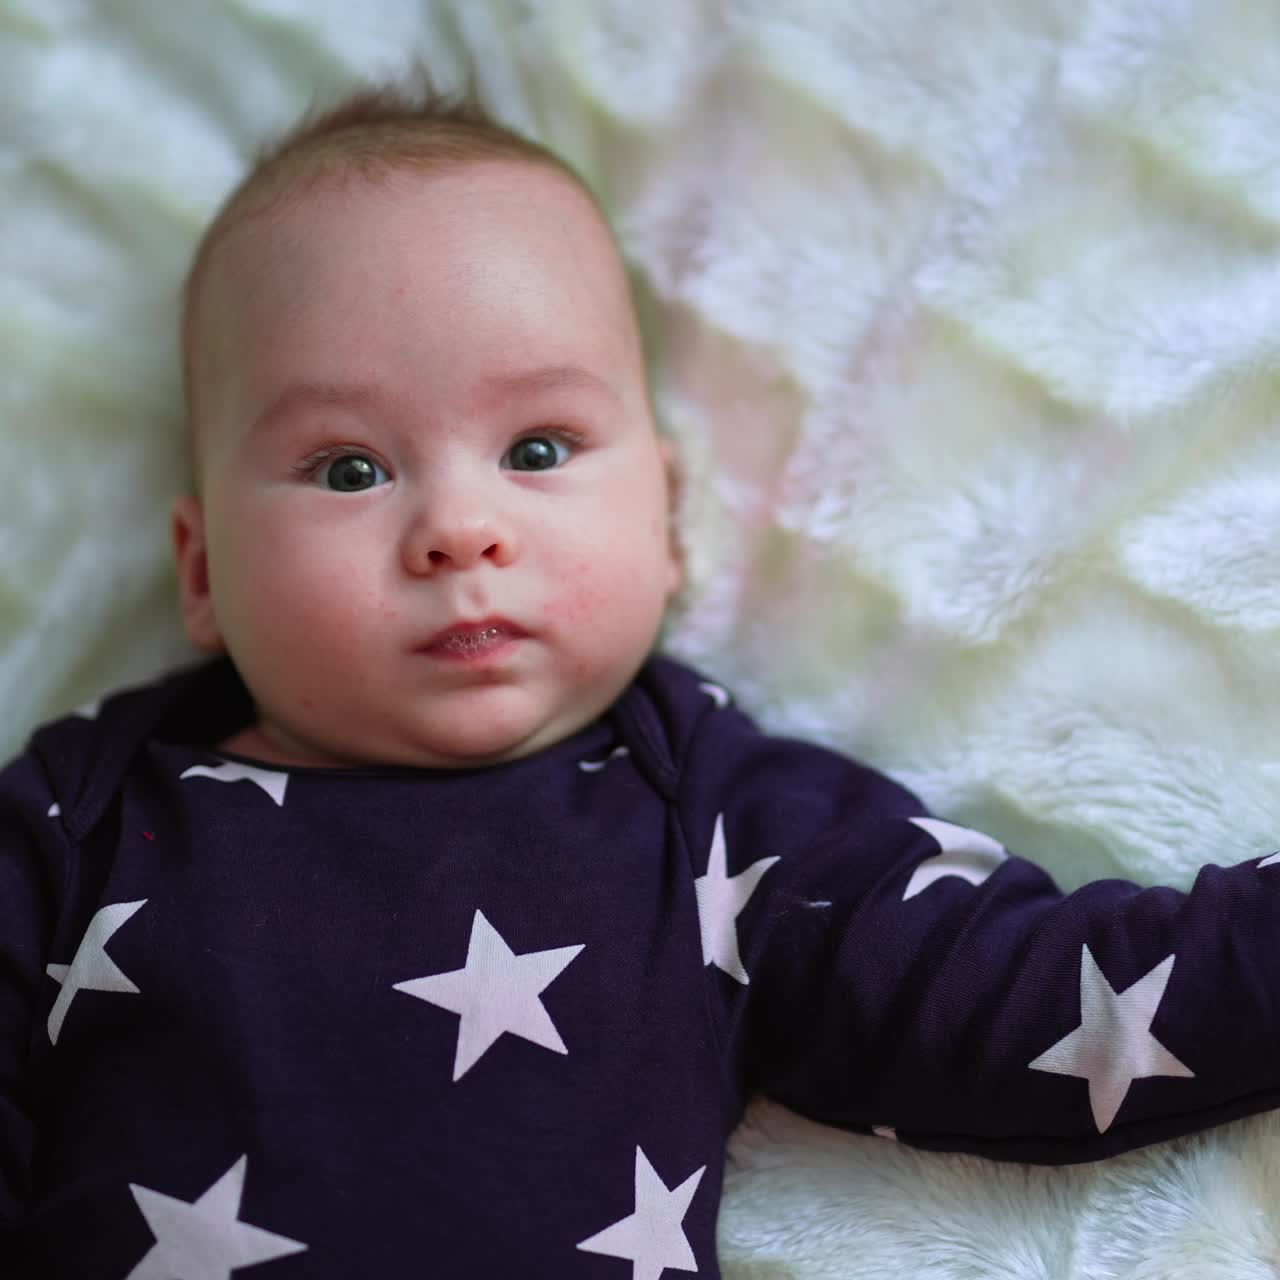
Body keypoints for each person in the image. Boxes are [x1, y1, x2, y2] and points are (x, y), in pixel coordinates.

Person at [3, 75, 1278, 1279]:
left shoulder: (706, 817)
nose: (459, 525)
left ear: (664, 517)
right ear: (204, 569)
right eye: (348, 467)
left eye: (539, 446)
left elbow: (1028, 1004)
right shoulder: (75, 818)